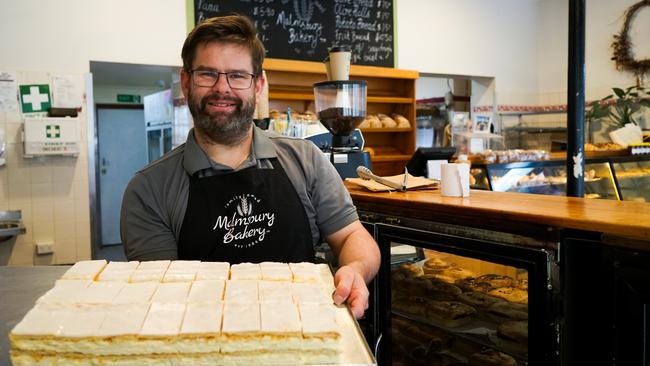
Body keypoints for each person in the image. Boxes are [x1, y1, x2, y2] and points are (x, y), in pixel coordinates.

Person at [120, 15, 380, 318]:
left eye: (237, 76)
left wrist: (355, 269)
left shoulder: (305, 159)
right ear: (186, 81)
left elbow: (352, 236)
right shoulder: (149, 190)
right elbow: (163, 300)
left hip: (308, 341)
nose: (222, 88)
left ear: (258, 85)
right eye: (208, 74)